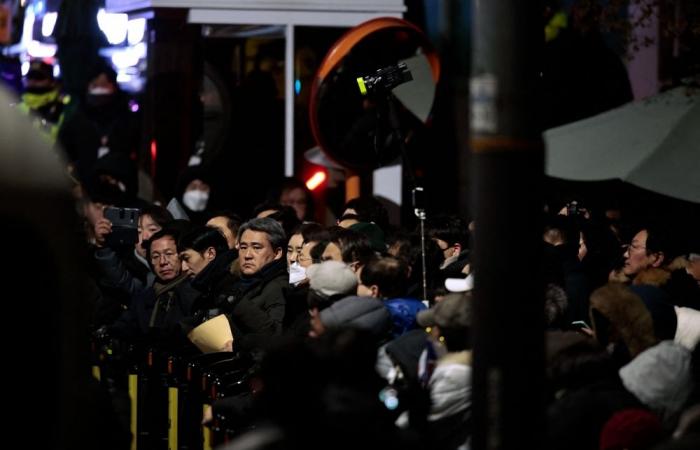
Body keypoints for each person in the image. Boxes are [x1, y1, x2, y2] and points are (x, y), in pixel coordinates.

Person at [59, 60, 140, 179]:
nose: (100, 91)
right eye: (95, 86)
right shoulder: (76, 121)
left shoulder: (127, 121)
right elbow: (63, 153)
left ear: (114, 87)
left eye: (105, 86)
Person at [15, 59, 71, 144]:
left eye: (39, 77)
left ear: (52, 82)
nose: (33, 81)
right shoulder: (17, 107)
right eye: (30, 76)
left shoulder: (66, 106)